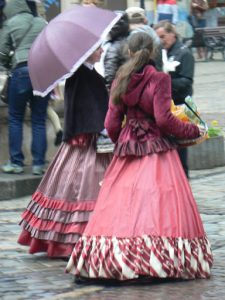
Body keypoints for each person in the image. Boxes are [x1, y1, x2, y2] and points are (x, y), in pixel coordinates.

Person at [66, 32, 213, 281]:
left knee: (120, 205)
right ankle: (157, 259)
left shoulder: (120, 80)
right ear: (153, 53)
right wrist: (194, 130)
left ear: (128, 52)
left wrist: (122, 142)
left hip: (127, 147)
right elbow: (164, 119)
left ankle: (112, 257)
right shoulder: (159, 79)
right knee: (158, 204)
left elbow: (111, 123)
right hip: (157, 149)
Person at [17, 46, 113, 258]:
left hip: (90, 136)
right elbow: (83, 108)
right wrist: (100, 127)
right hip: (87, 139)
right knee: (82, 185)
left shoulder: (88, 74)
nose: (101, 50)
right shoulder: (81, 75)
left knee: (74, 185)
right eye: (97, 48)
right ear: (87, 52)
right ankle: (77, 239)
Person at [0, 0, 49, 175]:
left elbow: (2, 52)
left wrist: (7, 63)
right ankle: (38, 164)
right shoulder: (42, 23)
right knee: (39, 119)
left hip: (21, 72)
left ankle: (16, 162)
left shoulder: (9, 24)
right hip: (43, 72)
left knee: (15, 118)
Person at [154, 21, 195, 178]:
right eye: (158, 38)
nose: (161, 40)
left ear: (173, 34)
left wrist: (165, 81)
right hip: (165, 106)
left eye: (163, 36)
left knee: (181, 148)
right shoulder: (160, 52)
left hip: (181, 105)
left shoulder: (184, 53)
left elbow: (186, 83)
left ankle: (184, 181)